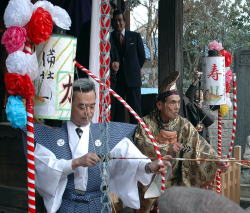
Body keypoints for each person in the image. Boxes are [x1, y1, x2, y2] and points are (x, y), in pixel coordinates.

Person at [31, 78, 170, 213]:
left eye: (92, 106)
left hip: (98, 204)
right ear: (69, 103)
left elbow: (130, 158)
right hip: (68, 204)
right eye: (81, 106)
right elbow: (45, 168)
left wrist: (149, 166)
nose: (88, 112)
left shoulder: (106, 133)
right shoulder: (52, 136)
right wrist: (75, 162)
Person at [134, 71, 229, 213]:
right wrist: (167, 148)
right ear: (160, 105)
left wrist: (216, 160)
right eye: (172, 102)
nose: (177, 107)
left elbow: (199, 146)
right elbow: (142, 145)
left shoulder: (183, 124)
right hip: (151, 175)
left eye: (178, 102)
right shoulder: (146, 123)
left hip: (176, 174)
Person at [111, 9, 145, 124]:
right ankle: (117, 137)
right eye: (115, 21)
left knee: (135, 112)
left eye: (120, 20)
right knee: (117, 112)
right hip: (117, 81)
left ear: (124, 22)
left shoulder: (135, 36)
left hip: (133, 80)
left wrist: (133, 70)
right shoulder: (109, 37)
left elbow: (142, 57)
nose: (118, 23)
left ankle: (137, 138)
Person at [180, 72, 215, 142]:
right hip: (191, 135)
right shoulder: (190, 105)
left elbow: (211, 119)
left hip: (203, 136)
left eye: (201, 91)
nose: (200, 93)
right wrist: (195, 81)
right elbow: (188, 96)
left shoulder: (205, 105)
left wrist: (200, 108)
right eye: (197, 91)